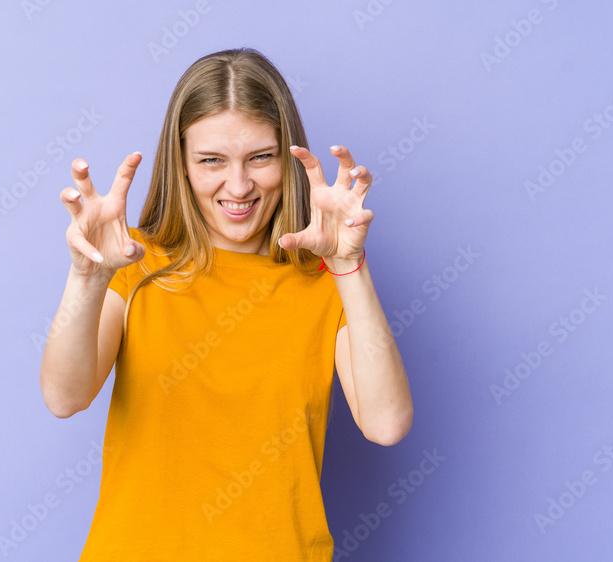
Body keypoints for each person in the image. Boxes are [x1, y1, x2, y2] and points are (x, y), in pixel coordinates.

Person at [39, 47, 413, 560]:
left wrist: (349, 265)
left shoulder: (329, 282)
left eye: (260, 157)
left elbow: (386, 423)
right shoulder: (134, 262)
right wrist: (87, 278)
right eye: (212, 160)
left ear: (288, 158)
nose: (238, 186)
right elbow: (64, 397)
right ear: (181, 163)